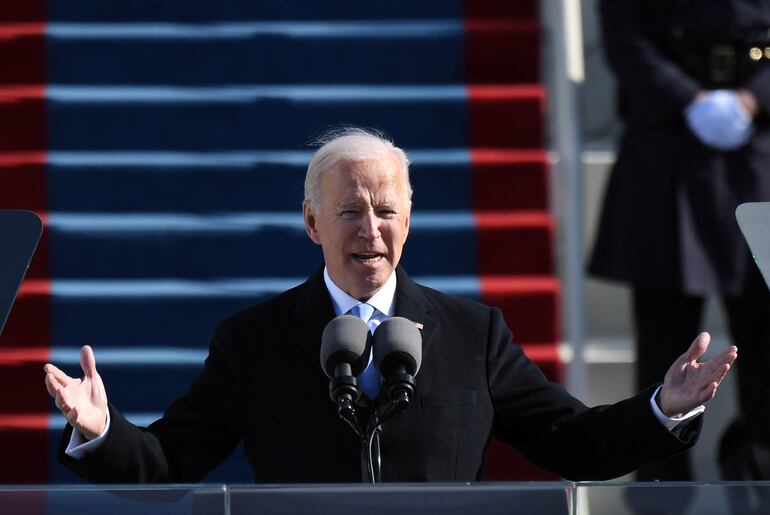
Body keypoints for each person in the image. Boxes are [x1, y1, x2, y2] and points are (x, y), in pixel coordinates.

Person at [44, 128, 737, 483]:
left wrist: (664, 408)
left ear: (409, 218)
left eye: (385, 210)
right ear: (311, 223)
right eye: (348, 212)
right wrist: (103, 429)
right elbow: (173, 457)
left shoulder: (473, 332)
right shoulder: (253, 339)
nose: (369, 230)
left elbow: (572, 441)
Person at [590, 0, 770, 482]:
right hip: (666, 151)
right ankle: (660, 493)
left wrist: (755, 98)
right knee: (666, 351)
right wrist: (685, 98)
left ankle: (758, 477)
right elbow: (625, 36)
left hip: (761, 154)